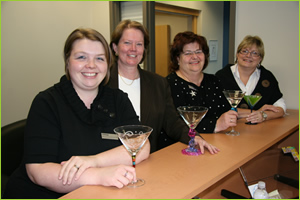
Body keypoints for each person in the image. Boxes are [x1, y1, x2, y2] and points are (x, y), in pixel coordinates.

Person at [3, 28, 150, 199]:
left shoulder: (118, 100)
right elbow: (37, 170)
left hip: (102, 194)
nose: (91, 65)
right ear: (67, 61)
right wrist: (98, 176)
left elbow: (142, 147)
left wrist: (93, 161)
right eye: (81, 57)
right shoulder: (47, 102)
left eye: (100, 59)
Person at [107, 19, 219, 154]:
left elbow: (172, 122)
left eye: (139, 44)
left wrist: (194, 137)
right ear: (115, 47)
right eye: (127, 43)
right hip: (110, 161)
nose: (133, 49)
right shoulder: (102, 82)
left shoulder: (158, 83)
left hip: (148, 160)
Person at [166, 31, 235, 133]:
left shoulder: (214, 81)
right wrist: (215, 125)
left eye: (198, 52)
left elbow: (226, 110)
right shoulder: (168, 85)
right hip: (185, 145)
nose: (195, 57)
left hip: (218, 141)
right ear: (177, 59)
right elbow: (174, 123)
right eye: (188, 53)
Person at [215, 35, 286, 123]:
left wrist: (263, 115)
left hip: (261, 131)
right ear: (237, 54)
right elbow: (217, 108)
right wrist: (257, 112)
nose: (248, 55)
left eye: (255, 53)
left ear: (260, 58)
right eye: (244, 51)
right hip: (229, 130)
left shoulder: (267, 77)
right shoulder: (221, 76)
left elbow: (281, 108)